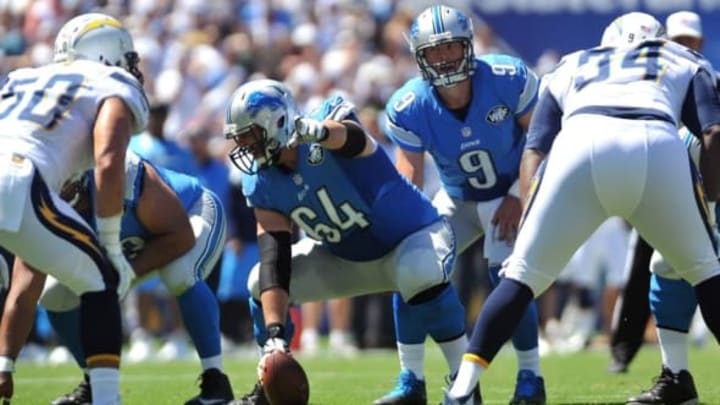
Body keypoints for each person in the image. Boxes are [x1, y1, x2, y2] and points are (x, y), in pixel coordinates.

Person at [443, 11, 720, 405]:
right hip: (654, 142)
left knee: (520, 278)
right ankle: (676, 375)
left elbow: (535, 148)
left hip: (579, 147)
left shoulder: (572, 63)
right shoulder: (682, 58)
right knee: (706, 273)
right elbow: (712, 131)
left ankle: (460, 391)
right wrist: (709, 197)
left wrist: (531, 213)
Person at [222, 79, 473, 405]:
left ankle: (464, 386)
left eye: (251, 136)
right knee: (259, 280)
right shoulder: (260, 180)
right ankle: (267, 388)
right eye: (240, 138)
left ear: (278, 123)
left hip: (412, 237)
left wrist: (320, 133)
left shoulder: (326, 128)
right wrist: (274, 334)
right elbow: (274, 258)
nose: (246, 147)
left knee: (419, 270)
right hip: (347, 256)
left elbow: (357, 141)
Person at [383, 5, 544, 404]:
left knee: (509, 277)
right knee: (410, 268)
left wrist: (519, 196)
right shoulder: (411, 105)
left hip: (510, 192)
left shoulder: (506, 78)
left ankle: (531, 377)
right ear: (420, 56)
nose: (444, 58)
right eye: (434, 51)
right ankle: (412, 380)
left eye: (451, 47)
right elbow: (409, 180)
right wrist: (403, 235)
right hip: (457, 198)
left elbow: (543, 137)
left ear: (468, 45)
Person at [3, 150, 231, 405]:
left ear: (80, 179)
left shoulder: (121, 175)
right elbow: (23, 293)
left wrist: (128, 272)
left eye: (63, 192)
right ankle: (95, 383)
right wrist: (5, 365)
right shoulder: (40, 208)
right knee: (54, 295)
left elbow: (180, 235)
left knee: (179, 274)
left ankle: (216, 381)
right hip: (129, 247)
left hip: (191, 213)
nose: (59, 201)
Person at [0, 12, 147, 405]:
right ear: (106, 53)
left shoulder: (24, 77)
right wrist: (112, 244)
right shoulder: (110, 80)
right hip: (16, 175)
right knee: (101, 278)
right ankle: (106, 400)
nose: (131, 65)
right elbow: (109, 159)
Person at [608, 10, 710, 376]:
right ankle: (624, 350)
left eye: (689, 42)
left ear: (699, 43)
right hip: (657, 188)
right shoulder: (648, 82)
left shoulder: (705, 78)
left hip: (705, 190)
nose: (683, 47)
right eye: (677, 41)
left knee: (700, 267)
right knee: (646, 267)